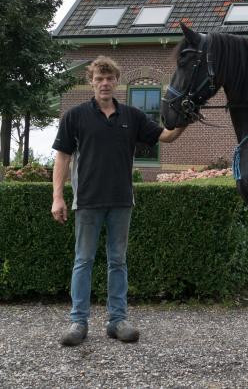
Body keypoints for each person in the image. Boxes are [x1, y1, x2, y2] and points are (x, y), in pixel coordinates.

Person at [51, 55, 185, 346]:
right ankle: (78, 322)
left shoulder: (132, 116)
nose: (104, 83)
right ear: (91, 82)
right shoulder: (74, 116)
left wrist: (185, 116)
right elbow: (62, 156)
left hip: (122, 200)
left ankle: (117, 321)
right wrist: (57, 197)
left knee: (117, 262)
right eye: (99, 79)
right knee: (83, 261)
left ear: (117, 81)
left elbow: (167, 136)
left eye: (109, 78)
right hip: (87, 200)